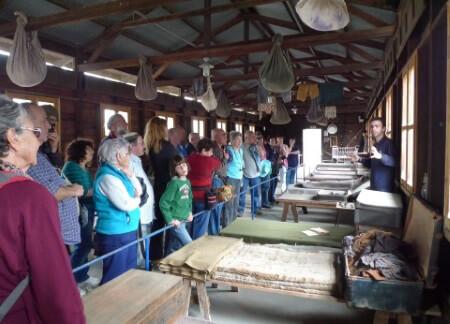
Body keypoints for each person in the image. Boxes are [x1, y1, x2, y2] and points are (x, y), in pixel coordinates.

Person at [0, 98, 85, 323]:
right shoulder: (31, 196)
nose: (39, 139)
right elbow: (55, 284)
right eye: (34, 131)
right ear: (13, 137)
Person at [27, 104, 83, 248]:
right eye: (45, 120)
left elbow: (56, 167)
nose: (49, 125)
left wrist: (53, 148)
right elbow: (48, 192)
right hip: (49, 234)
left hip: (58, 232)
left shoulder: (40, 151)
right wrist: (73, 190)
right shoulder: (28, 157)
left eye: (52, 121)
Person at [93, 138, 142, 285]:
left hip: (127, 230)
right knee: (114, 277)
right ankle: (108, 307)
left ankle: (124, 305)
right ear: (118, 156)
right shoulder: (107, 177)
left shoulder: (119, 173)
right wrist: (138, 200)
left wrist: (131, 175)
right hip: (115, 233)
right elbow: (126, 204)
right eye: (127, 153)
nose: (129, 156)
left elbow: (139, 190)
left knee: (128, 273)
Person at [62, 139, 100, 294]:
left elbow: (89, 189)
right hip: (80, 210)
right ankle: (70, 281)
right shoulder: (71, 167)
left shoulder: (82, 168)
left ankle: (82, 275)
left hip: (88, 209)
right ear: (80, 152)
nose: (92, 152)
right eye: (88, 149)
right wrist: (98, 191)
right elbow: (82, 191)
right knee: (83, 245)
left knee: (85, 243)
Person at [144, 117, 177, 261]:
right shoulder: (167, 146)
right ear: (160, 128)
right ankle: (169, 255)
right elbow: (179, 163)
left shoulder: (149, 147)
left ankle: (155, 256)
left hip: (157, 187)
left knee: (158, 224)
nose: (167, 130)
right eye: (165, 127)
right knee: (171, 223)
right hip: (169, 187)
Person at [123, 132, 155, 267]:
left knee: (143, 242)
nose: (144, 146)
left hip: (145, 211)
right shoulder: (129, 163)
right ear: (131, 146)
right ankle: (138, 269)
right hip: (139, 211)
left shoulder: (136, 160)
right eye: (141, 143)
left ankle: (142, 265)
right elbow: (133, 188)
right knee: (139, 245)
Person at [187, 138, 221, 239]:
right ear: (204, 150)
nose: (211, 154)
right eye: (210, 151)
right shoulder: (209, 161)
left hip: (189, 196)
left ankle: (189, 244)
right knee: (200, 226)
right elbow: (218, 163)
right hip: (203, 198)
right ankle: (196, 247)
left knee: (190, 223)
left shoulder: (190, 158)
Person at [350, 117, 396, 192]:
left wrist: (381, 156)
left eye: (377, 126)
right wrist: (359, 159)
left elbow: (394, 162)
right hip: (374, 184)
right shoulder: (375, 145)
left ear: (384, 129)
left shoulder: (389, 143)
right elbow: (372, 164)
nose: (373, 129)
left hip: (385, 187)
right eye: (372, 127)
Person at [159, 155, 193, 255]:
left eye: (183, 165)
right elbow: (163, 202)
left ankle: (167, 265)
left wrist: (189, 212)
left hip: (184, 219)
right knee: (189, 244)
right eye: (179, 167)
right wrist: (170, 220)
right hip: (176, 221)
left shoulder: (187, 181)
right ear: (174, 170)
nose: (183, 168)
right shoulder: (174, 184)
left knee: (174, 245)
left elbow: (189, 199)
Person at [211, 128, 230, 234]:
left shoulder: (223, 148)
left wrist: (226, 157)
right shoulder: (213, 149)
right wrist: (225, 158)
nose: (225, 137)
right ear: (216, 136)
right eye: (223, 135)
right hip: (217, 180)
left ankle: (218, 228)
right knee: (216, 208)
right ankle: (214, 232)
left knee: (222, 205)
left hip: (223, 179)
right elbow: (216, 167)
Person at [238, 131, 262, 217]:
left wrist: (256, 145)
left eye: (254, 137)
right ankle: (240, 210)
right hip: (244, 174)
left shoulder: (256, 146)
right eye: (252, 137)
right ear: (246, 138)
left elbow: (262, 154)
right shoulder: (242, 146)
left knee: (256, 192)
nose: (254, 139)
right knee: (242, 193)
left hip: (255, 174)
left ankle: (256, 208)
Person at [224, 131, 244, 227]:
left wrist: (242, 178)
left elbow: (241, 164)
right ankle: (227, 225)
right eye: (237, 140)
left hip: (238, 178)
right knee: (228, 203)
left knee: (236, 203)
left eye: (241, 140)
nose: (240, 142)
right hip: (229, 178)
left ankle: (233, 224)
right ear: (231, 140)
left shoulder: (240, 150)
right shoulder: (228, 150)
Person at [40, 104, 63, 169]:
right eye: (50, 120)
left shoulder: (49, 141)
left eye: (53, 123)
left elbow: (58, 165)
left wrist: (54, 149)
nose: (50, 126)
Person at [256, 132, 271, 209]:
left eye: (261, 137)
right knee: (258, 188)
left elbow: (270, 155)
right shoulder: (254, 147)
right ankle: (257, 206)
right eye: (258, 138)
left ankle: (265, 203)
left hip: (266, 169)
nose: (260, 139)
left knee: (266, 186)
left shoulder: (266, 146)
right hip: (257, 170)